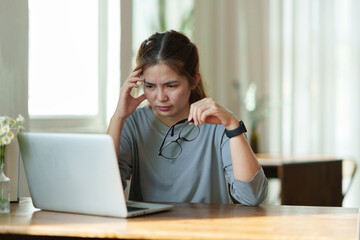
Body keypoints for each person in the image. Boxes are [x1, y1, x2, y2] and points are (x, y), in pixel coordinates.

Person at [107, 30, 268, 205]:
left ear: (193, 81)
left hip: (207, 229)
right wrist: (118, 117)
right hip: (148, 230)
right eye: (150, 86)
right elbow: (104, 190)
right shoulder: (132, 123)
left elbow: (252, 198)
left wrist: (232, 125)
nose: (160, 97)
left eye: (171, 85)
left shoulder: (221, 123)